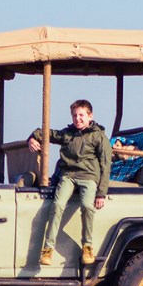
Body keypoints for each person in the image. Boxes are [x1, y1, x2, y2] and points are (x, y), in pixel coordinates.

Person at [26, 99, 110, 266]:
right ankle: (48, 249)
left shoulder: (99, 136)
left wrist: (101, 192)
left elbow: (106, 165)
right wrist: (32, 138)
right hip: (68, 175)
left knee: (87, 206)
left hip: (88, 177)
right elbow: (45, 133)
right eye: (74, 115)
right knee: (57, 205)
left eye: (81, 115)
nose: (77, 119)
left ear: (90, 116)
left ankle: (87, 246)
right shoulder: (67, 133)